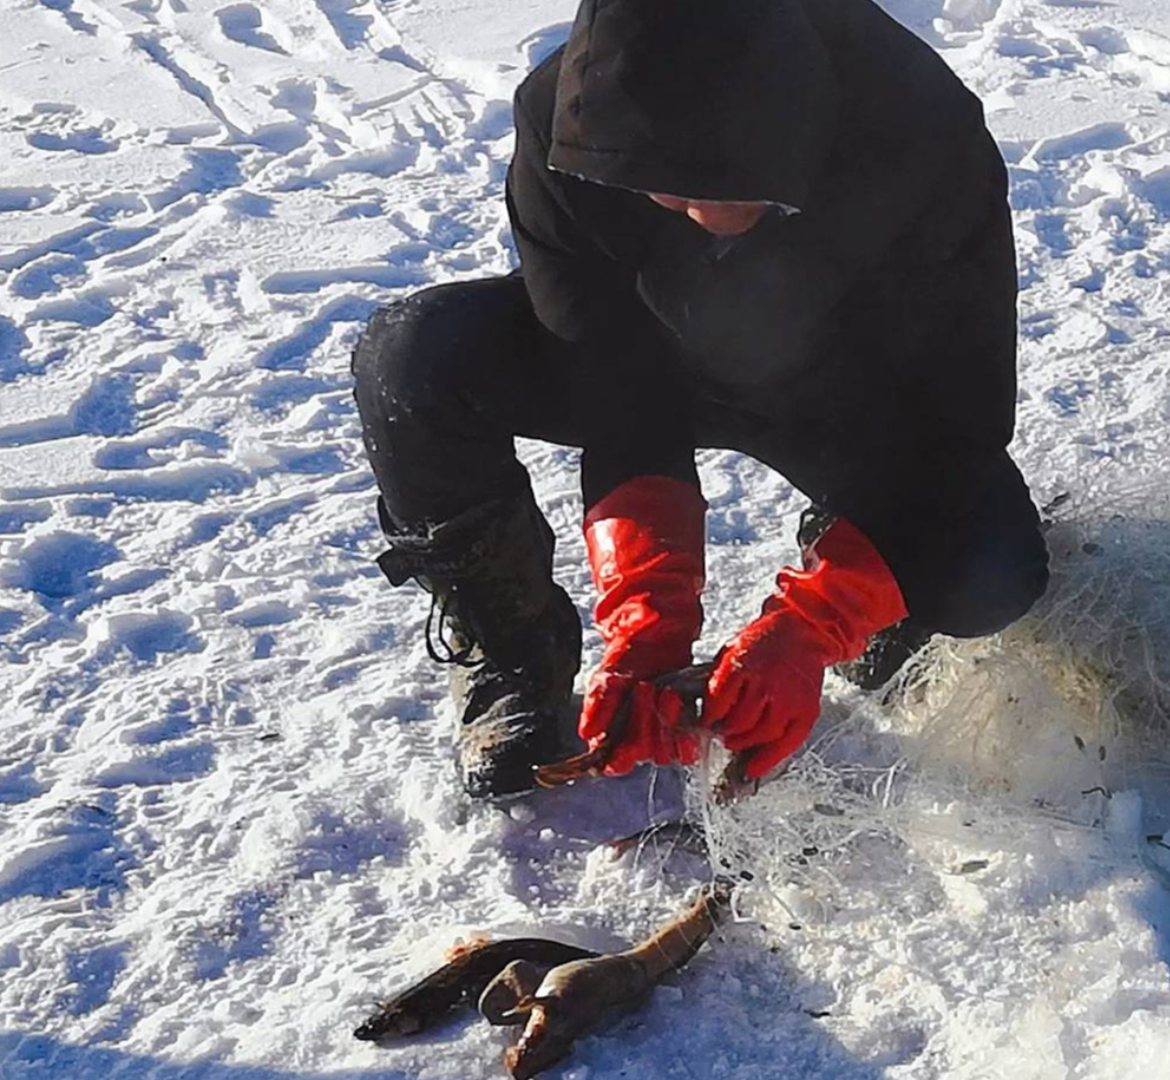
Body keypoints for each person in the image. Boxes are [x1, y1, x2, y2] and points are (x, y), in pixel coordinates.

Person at [349, 0, 1050, 798]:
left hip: (846, 395)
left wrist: (815, 620)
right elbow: (610, 378)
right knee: (417, 356)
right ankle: (514, 652)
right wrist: (646, 618)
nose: (708, 219)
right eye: (667, 194)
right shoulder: (564, 123)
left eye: (742, 190)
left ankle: (859, 556)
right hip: (652, 352)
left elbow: (962, 419)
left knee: (992, 564)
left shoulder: (921, 124)